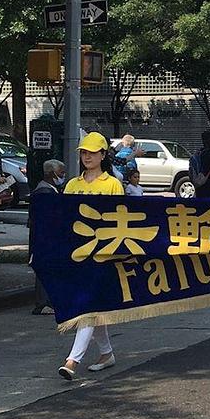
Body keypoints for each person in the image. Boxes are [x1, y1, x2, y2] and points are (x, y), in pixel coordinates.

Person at [59, 132, 124, 381]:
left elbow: (120, 218)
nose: (87, 156)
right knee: (93, 308)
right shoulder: (73, 185)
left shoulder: (112, 185)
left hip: (103, 255)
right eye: (84, 152)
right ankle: (107, 353)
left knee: (87, 307)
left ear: (103, 155)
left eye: (92, 152)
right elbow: (63, 217)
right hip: (77, 253)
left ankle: (72, 360)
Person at [29, 158, 65, 315]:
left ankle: (47, 302)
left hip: (44, 238)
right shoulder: (45, 192)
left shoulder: (46, 190)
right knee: (45, 269)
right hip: (45, 238)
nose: (63, 176)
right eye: (61, 173)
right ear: (51, 174)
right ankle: (43, 303)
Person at [191, 130, 210, 196]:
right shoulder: (209, 154)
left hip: (200, 187)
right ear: (209, 141)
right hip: (209, 187)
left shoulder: (200, 152)